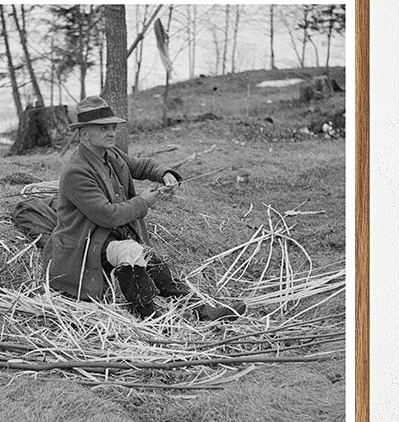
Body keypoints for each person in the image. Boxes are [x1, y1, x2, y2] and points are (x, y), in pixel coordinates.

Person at [42, 95, 246, 321]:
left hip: (108, 234)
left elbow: (141, 166)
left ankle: (201, 309)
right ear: (84, 134)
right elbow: (108, 215)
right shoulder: (76, 171)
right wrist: (144, 202)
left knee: (154, 262)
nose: (111, 132)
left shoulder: (111, 155)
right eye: (103, 128)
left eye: (112, 127)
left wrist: (165, 174)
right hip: (85, 242)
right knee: (131, 252)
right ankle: (150, 316)